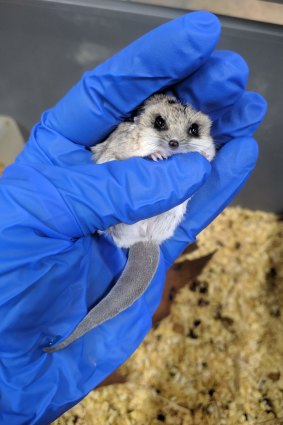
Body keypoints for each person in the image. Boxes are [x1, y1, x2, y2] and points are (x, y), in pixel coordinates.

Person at [0, 11, 266, 425]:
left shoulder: (202, 146)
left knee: (165, 231)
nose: (176, 139)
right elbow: (131, 153)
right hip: (116, 228)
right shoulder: (135, 133)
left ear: (205, 129)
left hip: (154, 232)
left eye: (192, 132)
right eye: (162, 125)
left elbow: (194, 166)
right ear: (147, 120)